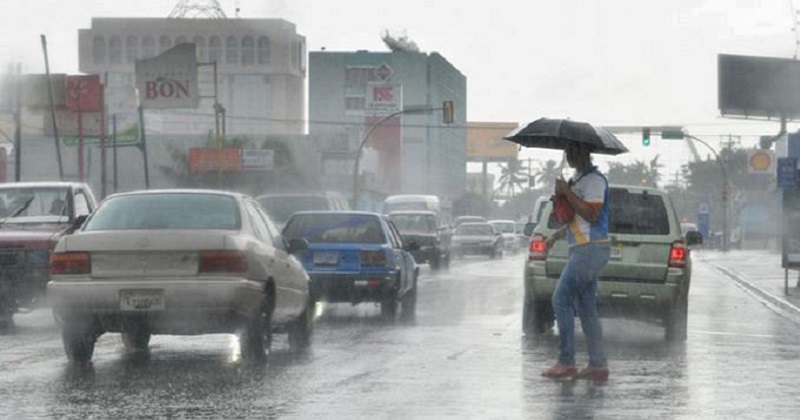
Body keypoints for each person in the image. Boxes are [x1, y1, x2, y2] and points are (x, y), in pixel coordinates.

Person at [541, 141, 611, 382]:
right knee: (586, 308)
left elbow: (592, 215)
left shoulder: (594, 180)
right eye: (566, 150)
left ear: (583, 152)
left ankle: (567, 361)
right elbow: (575, 220)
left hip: (590, 250)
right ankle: (597, 365)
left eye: (572, 150)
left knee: (560, 298)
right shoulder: (578, 180)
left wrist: (567, 193)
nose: (568, 154)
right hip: (583, 249)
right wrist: (555, 235)